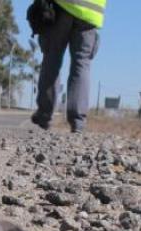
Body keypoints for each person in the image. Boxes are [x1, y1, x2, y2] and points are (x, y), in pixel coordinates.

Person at [31, 0, 106, 133]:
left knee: (52, 58)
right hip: (90, 14)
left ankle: (44, 115)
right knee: (82, 64)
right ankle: (78, 121)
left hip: (61, 7)